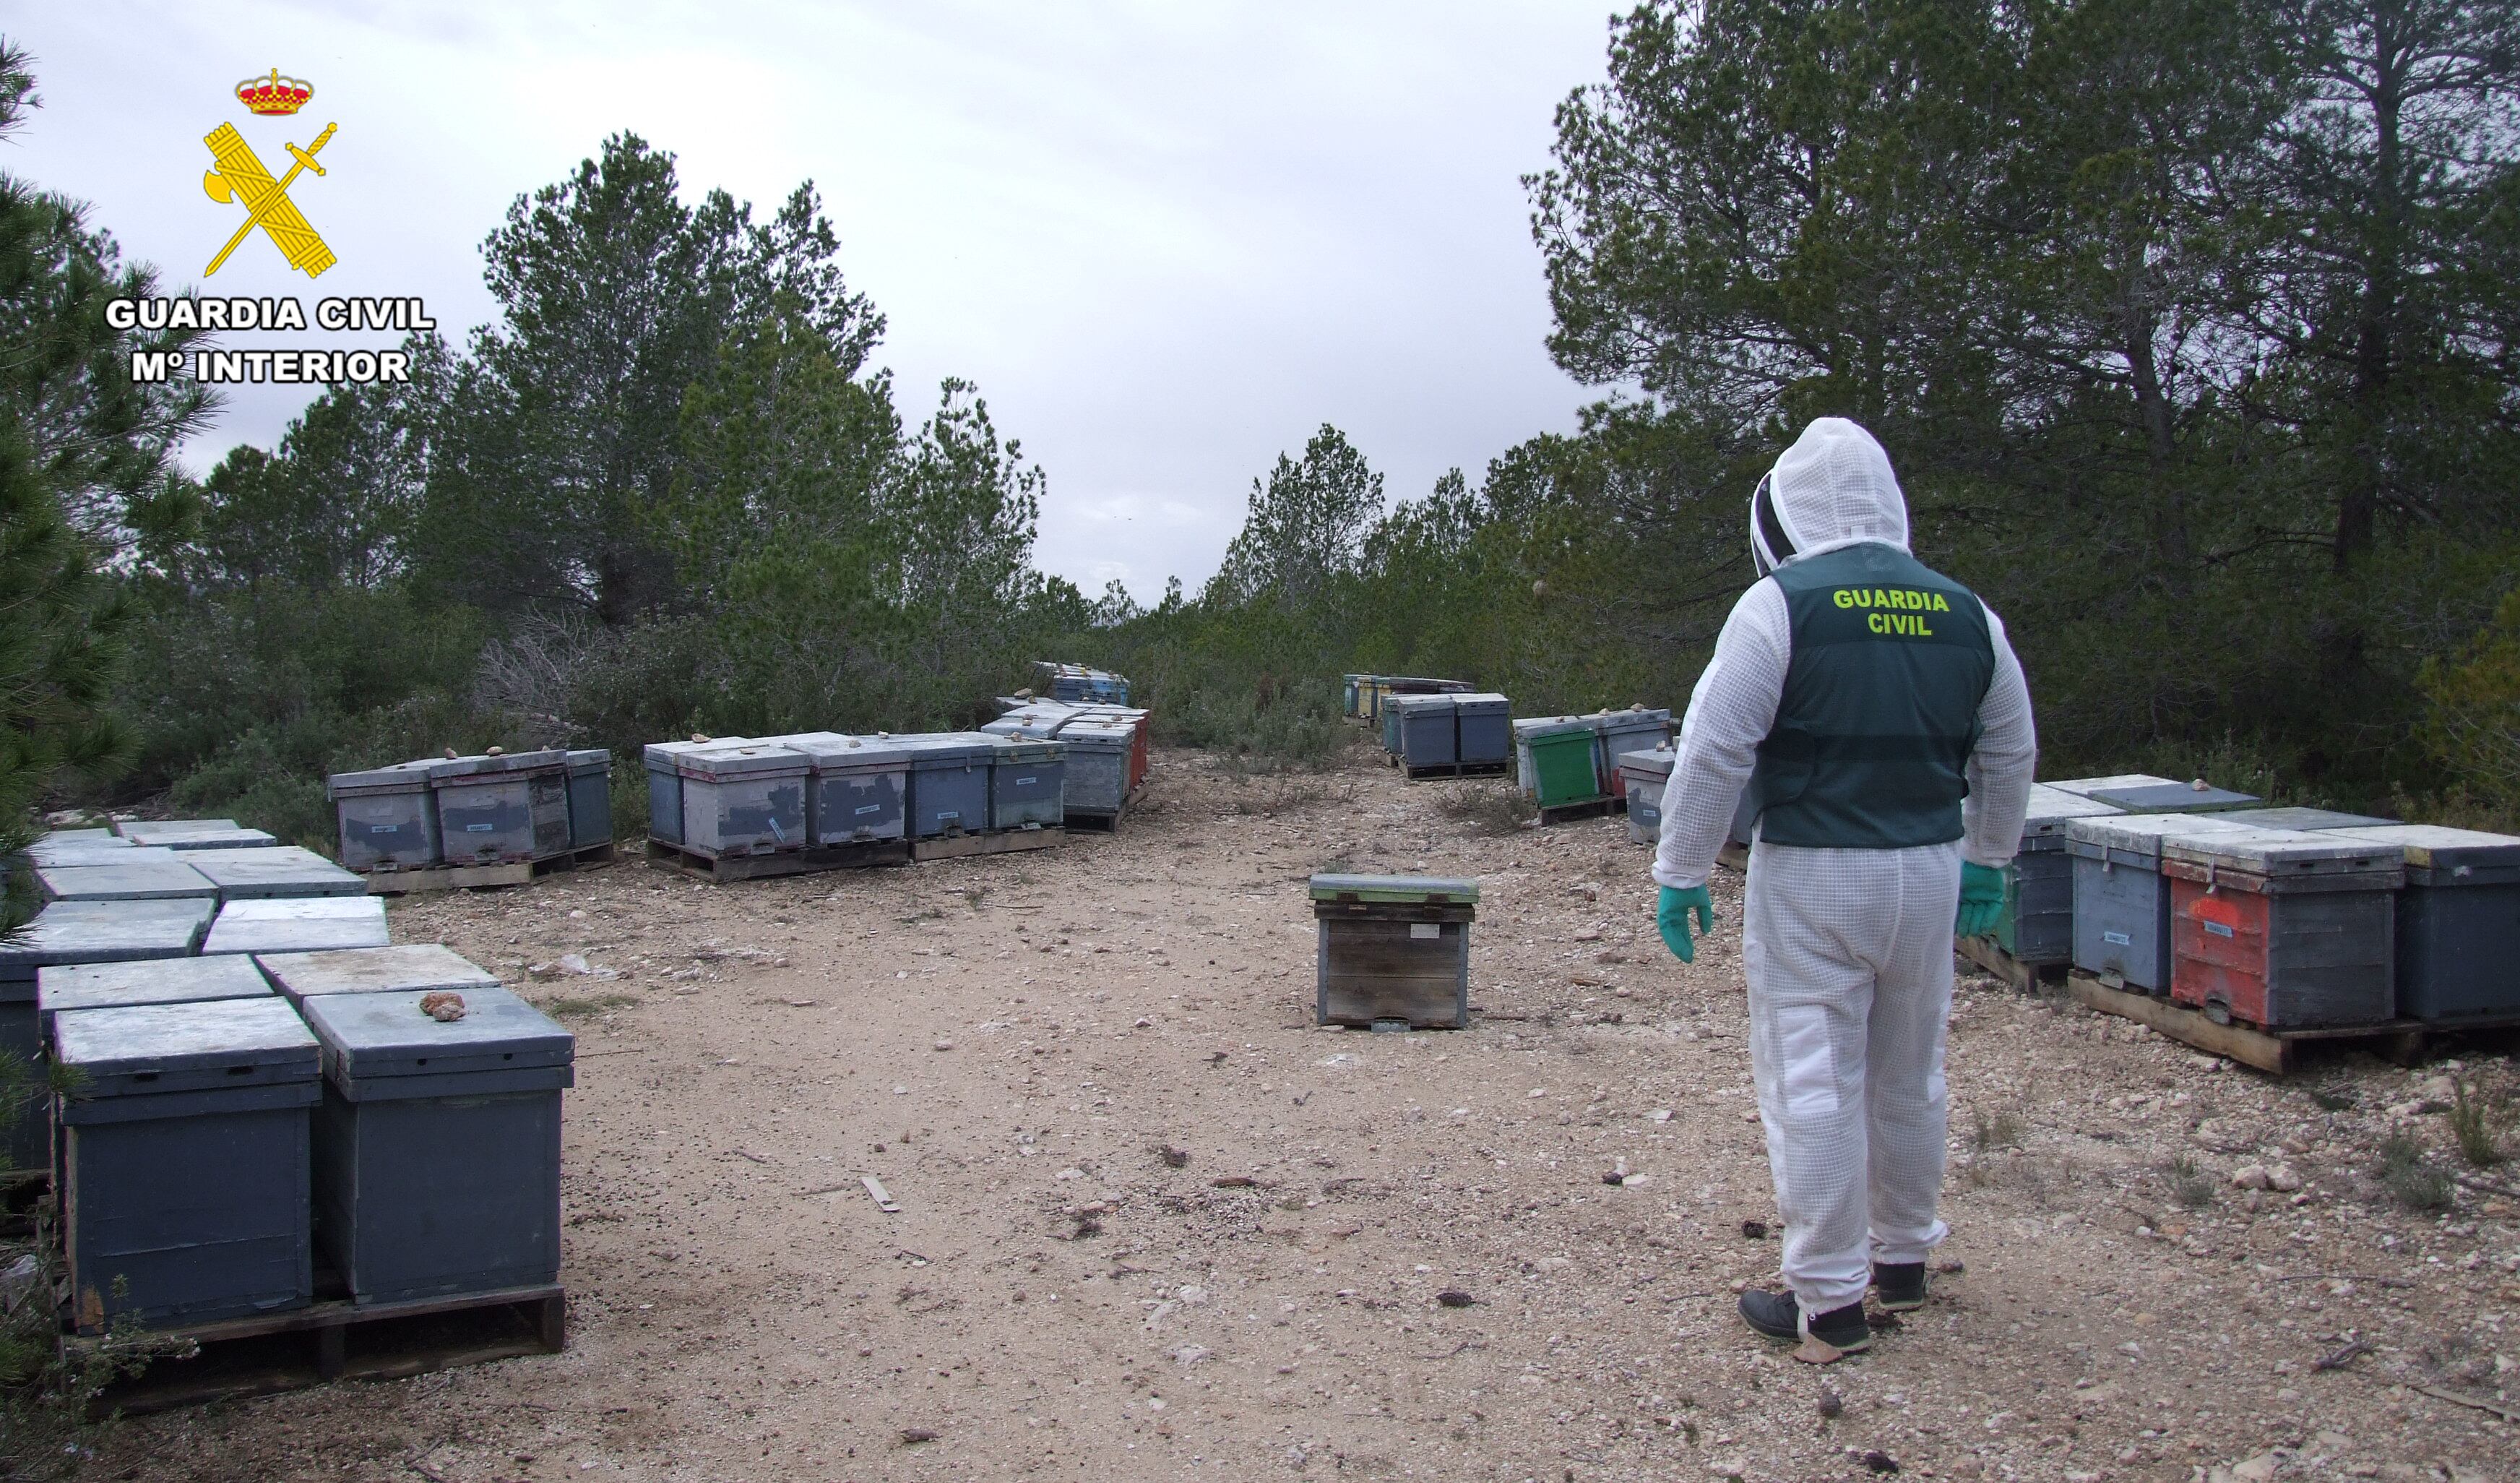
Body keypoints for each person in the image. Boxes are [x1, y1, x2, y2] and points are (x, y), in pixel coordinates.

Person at [1649, 417, 2035, 1360]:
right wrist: (1991, 854)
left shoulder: (1781, 605)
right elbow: (2011, 745)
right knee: (1910, 1071)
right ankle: (1903, 1261)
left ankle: (1826, 1303)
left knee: (1814, 1080)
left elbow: (1713, 749)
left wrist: (1681, 870)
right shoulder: (1966, 611)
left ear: (1788, 510)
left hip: (1817, 873)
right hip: (1931, 872)